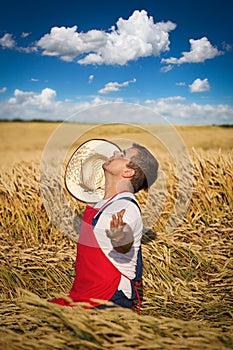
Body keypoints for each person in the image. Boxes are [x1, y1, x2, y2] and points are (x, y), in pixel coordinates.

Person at [50, 143, 159, 313]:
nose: (114, 152)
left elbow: (124, 243)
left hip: (108, 299)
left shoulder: (126, 207)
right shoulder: (102, 204)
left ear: (128, 172)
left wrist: (120, 236)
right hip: (85, 296)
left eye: (122, 154)